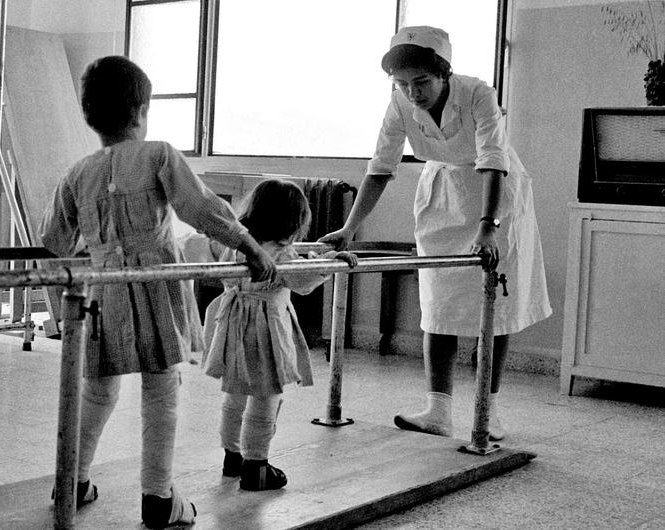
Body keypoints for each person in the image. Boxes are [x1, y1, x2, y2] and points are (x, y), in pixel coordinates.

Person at [39, 55, 279, 529]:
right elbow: (200, 208)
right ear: (142, 109)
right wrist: (249, 245)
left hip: (103, 289)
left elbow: (54, 239)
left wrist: (100, 245)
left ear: (89, 115)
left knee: (98, 389)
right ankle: (157, 495)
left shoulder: (77, 172)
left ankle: (72, 480)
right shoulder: (159, 154)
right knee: (161, 385)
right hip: (154, 285)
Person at [319, 26, 551, 440]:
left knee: (493, 306)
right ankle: (438, 410)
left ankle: (488, 409)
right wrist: (349, 228)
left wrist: (488, 226)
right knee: (438, 301)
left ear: (444, 73)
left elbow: (493, 158)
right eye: (402, 84)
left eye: (421, 82)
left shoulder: (478, 93)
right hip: (441, 196)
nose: (413, 93)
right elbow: (380, 167)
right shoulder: (399, 105)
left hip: (496, 195)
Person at [202, 178, 356, 491]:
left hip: (231, 324)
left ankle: (232, 456)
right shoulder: (281, 254)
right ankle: (256, 464)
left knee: (234, 393)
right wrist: (333, 261)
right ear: (292, 222)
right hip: (264, 330)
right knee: (265, 395)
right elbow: (303, 280)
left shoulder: (236, 246)